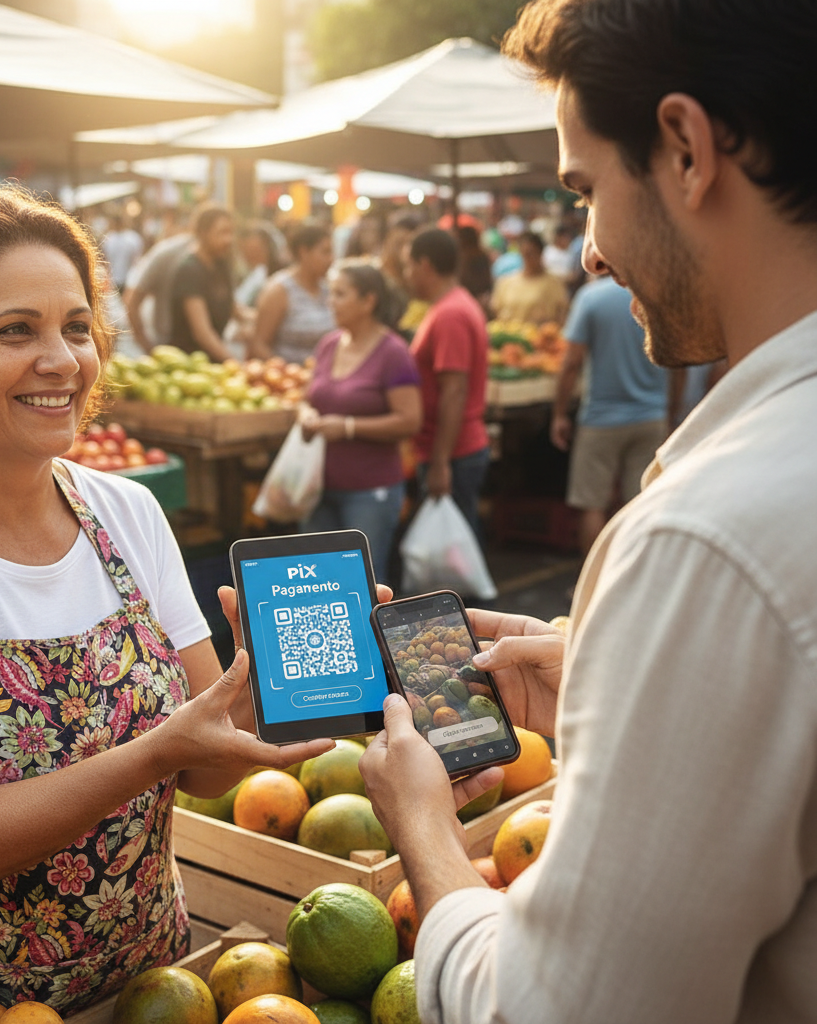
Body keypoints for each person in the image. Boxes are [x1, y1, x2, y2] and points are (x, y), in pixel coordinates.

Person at [358, 1, 817, 1022]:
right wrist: (624, 687)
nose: (588, 255)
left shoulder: (708, 543)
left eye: (584, 192)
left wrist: (425, 836)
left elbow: (555, 1009)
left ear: (686, 150)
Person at [0, 187, 331, 1017]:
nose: (64, 360)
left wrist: (259, 688)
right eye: (17, 330)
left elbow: (208, 765)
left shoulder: (128, 514)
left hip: (150, 990)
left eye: (76, 327)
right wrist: (154, 751)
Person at [299, 261, 422, 583]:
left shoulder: (393, 353)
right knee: (314, 582)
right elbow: (307, 397)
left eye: (340, 294)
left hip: (370, 492)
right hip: (319, 488)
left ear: (369, 301)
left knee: (362, 582)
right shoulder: (328, 344)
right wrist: (306, 415)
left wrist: (350, 427)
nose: (331, 301)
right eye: (331, 293)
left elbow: (410, 420)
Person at [551, 272, 669, 553]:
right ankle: (634, 583)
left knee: (592, 504)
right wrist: (670, 409)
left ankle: (593, 592)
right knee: (641, 504)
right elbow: (678, 369)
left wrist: (559, 413)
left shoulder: (591, 297)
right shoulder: (656, 293)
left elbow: (571, 362)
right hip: (651, 416)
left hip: (601, 419)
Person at [404, 228, 490, 541]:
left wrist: (441, 463)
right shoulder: (453, 306)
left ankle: (461, 594)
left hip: (454, 451)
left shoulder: (451, 313)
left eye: (408, 265)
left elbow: (454, 391)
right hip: (451, 448)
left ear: (424, 265)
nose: (407, 274)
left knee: (453, 551)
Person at [250, 222, 335, 366]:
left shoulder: (329, 288)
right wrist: (286, 371)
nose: (331, 259)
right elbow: (259, 345)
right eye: (325, 252)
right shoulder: (279, 291)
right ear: (304, 252)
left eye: (331, 252)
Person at [169, 204, 239, 362]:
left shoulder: (221, 264)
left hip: (214, 362)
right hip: (190, 363)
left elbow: (232, 308)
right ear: (202, 233)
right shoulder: (190, 270)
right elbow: (202, 333)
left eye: (231, 232)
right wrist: (235, 364)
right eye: (222, 233)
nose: (229, 239)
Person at [121, 220, 192, 351]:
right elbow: (131, 300)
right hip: (166, 343)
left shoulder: (219, 258)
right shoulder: (165, 254)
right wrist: (147, 346)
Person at [490, 230, 570, 325]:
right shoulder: (506, 282)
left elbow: (562, 314)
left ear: (540, 253)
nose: (529, 258)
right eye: (526, 254)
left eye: (532, 253)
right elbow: (495, 311)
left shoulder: (554, 283)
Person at [100, 215, 144, 292]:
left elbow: (136, 260)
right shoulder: (108, 239)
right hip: (114, 281)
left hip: (128, 281)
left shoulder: (133, 238)